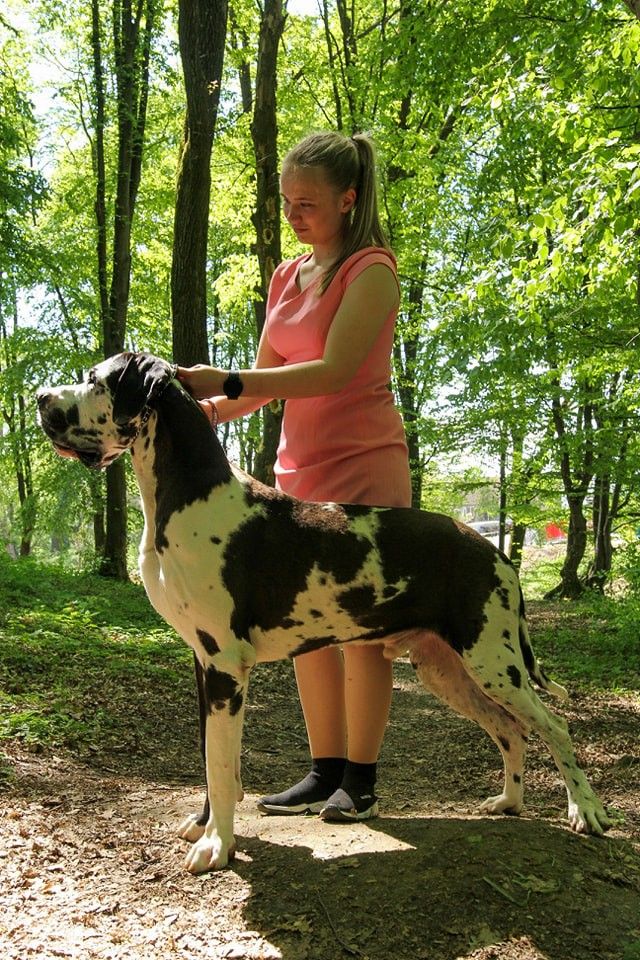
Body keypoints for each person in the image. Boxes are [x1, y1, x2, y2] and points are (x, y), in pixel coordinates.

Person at [176, 130, 411, 822]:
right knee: (308, 628)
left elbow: (333, 371)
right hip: (298, 472)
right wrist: (197, 409)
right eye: (286, 201)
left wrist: (231, 379)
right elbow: (260, 386)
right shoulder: (286, 277)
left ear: (348, 199)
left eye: (306, 202)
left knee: (362, 632)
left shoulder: (371, 270)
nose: (292, 214)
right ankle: (323, 770)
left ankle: (361, 780)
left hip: (364, 466)